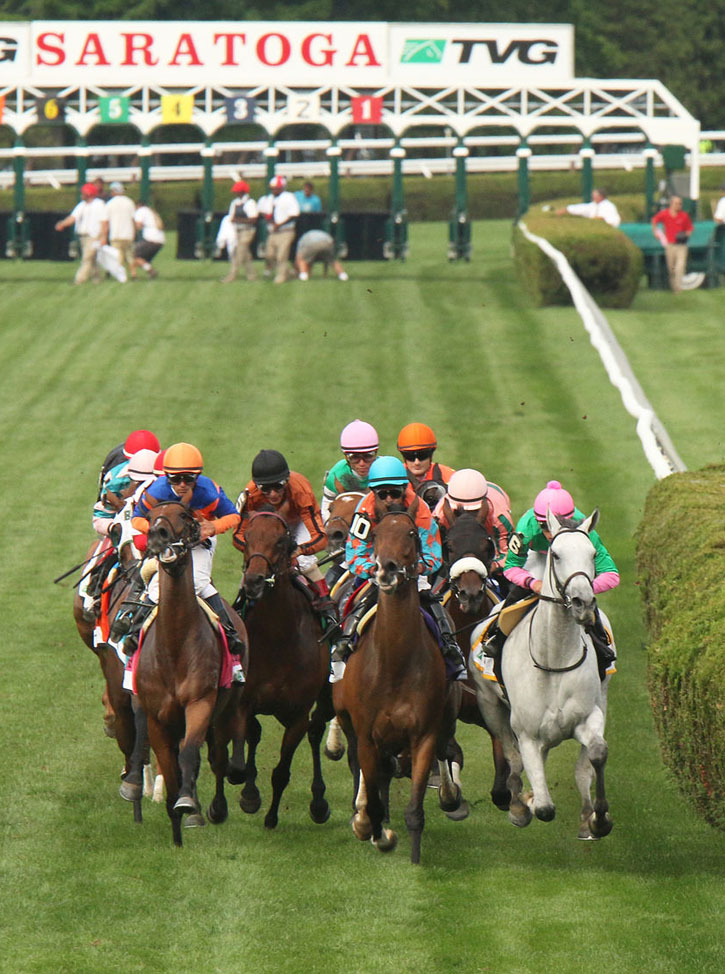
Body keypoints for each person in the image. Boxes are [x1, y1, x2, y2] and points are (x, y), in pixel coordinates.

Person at [330, 456, 467, 683]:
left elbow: (433, 556)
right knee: (350, 601)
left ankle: (452, 650)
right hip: (376, 566)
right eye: (382, 494)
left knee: (433, 603)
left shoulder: (420, 510)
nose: (389, 499)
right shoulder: (365, 510)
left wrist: (413, 569)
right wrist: (374, 570)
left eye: (395, 493)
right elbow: (354, 555)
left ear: (405, 489)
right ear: (373, 493)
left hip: (410, 569)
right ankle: (340, 650)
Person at [111, 442, 245, 668]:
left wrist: (213, 527)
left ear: (197, 477)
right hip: (170, 540)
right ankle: (133, 627)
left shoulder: (209, 491)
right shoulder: (156, 491)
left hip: (199, 538)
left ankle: (230, 633)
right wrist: (155, 529)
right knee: (154, 585)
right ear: (166, 477)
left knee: (199, 581)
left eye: (188, 479)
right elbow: (136, 519)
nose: (182, 485)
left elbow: (233, 516)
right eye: (175, 479)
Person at [486, 480, 618, 676]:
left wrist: (583, 588)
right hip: (537, 560)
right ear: (538, 521)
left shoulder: (585, 528)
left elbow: (611, 575)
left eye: (555, 526)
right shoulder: (526, 527)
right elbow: (512, 567)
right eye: (544, 526)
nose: (550, 533)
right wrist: (533, 583)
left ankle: (602, 647)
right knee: (514, 597)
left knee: (589, 607)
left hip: (570, 561)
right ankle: (496, 638)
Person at [233, 449, 334, 624]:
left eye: (278, 486)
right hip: (267, 526)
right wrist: (257, 551)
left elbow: (320, 538)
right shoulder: (250, 494)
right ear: (257, 486)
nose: (273, 494)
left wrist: (298, 550)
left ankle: (327, 608)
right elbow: (238, 536)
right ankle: (239, 608)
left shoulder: (300, 490)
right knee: (253, 567)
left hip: (298, 521)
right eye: (265, 489)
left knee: (306, 561)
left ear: (286, 481)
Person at [433, 467, 514, 577]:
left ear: (484, 506)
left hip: (491, 535)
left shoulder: (499, 517)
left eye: (473, 511)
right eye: (461, 512)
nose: (467, 518)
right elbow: (434, 551)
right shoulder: (440, 515)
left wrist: (495, 565)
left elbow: (509, 554)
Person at [93, 429, 161, 534]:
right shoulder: (115, 481)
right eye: (139, 482)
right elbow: (101, 517)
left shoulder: (170, 477)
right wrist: (113, 528)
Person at [321, 420, 378, 521]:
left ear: (376, 453)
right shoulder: (336, 475)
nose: (362, 463)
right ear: (346, 457)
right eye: (354, 457)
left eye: (368, 456)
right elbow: (326, 512)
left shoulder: (385, 470)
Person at [54, 182, 107, 285]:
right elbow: (73, 217)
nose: (81, 195)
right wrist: (63, 224)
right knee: (93, 258)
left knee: (87, 258)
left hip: (94, 235)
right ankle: (97, 279)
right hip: (83, 236)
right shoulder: (81, 205)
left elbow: (104, 222)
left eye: (83, 193)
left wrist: (103, 237)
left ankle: (79, 279)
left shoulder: (99, 205)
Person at [651, 195, 694, 293]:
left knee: (680, 266)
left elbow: (689, 229)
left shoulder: (684, 215)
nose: (679, 205)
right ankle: (674, 286)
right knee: (671, 268)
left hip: (681, 246)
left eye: (680, 204)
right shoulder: (665, 214)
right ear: (671, 204)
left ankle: (678, 289)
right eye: (676, 203)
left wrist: (685, 236)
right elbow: (654, 220)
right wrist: (655, 232)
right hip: (670, 245)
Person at [397, 422, 455, 491]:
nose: (417, 462)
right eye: (410, 456)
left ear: (431, 454)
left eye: (422, 455)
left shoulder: (451, 477)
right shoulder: (394, 477)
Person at [264, 175, 300, 283]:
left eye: (276, 188)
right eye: (272, 188)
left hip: (286, 231)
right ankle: (288, 272)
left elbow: (294, 214)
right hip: (273, 231)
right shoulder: (270, 198)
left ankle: (281, 277)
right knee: (269, 255)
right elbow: (266, 213)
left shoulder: (289, 197)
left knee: (281, 255)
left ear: (282, 187)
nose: (274, 190)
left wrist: (279, 224)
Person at [221, 180, 258, 283]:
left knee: (238, 252)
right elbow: (231, 216)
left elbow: (253, 219)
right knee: (245, 254)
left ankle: (232, 275)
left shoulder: (250, 203)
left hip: (247, 231)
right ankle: (252, 276)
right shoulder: (234, 203)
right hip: (237, 231)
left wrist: (237, 220)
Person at [102, 181, 137, 279]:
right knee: (130, 255)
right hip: (128, 234)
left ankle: (121, 275)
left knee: (118, 256)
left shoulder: (110, 204)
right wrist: (135, 232)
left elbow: (105, 222)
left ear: (113, 191)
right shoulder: (129, 202)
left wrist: (104, 236)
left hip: (116, 234)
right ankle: (133, 273)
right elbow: (133, 219)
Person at [554, 188, 621, 228]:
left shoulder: (609, 206)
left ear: (601, 196)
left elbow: (604, 219)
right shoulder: (593, 205)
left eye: (595, 195)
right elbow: (581, 208)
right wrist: (567, 209)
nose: (593, 197)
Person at [132, 200, 165, 279]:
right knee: (142, 259)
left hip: (151, 239)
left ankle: (150, 271)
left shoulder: (140, 211)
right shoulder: (150, 211)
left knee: (134, 257)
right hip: (160, 240)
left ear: (137, 206)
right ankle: (150, 270)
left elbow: (138, 225)